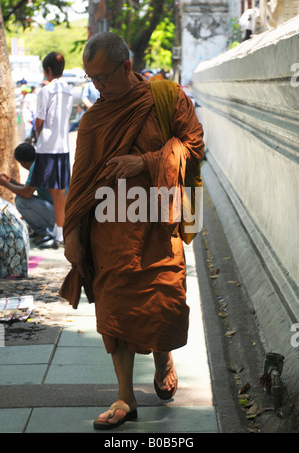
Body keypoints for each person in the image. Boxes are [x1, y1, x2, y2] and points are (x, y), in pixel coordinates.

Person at [60, 33, 204, 430]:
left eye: (104, 78)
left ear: (126, 67)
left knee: (163, 303)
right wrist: (71, 232)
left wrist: (144, 163)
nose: (98, 88)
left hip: (159, 224)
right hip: (110, 230)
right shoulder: (93, 120)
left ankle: (162, 357)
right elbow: (81, 180)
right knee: (114, 307)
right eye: (92, 80)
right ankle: (125, 395)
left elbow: (193, 145)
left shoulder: (165, 98)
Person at [30, 52, 73, 245]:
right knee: (60, 191)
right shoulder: (69, 90)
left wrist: (39, 135)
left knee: (53, 190)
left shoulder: (45, 91)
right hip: (62, 145)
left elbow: (39, 121)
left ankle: (58, 231)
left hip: (47, 145)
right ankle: (60, 230)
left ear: (48, 70)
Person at [0, 143, 56, 247]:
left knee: (21, 201)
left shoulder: (35, 167)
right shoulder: (40, 162)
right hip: (57, 209)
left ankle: (44, 231)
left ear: (22, 162)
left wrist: (5, 184)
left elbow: (26, 194)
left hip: (58, 214)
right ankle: (42, 231)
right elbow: (27, 189)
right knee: (22, 198)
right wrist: (11, 181)